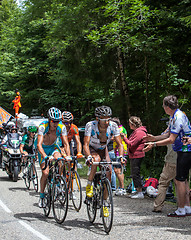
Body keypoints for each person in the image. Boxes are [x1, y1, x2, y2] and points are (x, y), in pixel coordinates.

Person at [143, 95, 191, 217]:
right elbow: (168, 134)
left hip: (185, 150)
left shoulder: (178, 117)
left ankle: (180, 209)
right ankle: (187, 207)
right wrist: (154, 138)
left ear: (167, 106)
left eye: (163, 106)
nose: (163, 108)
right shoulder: (174, 116)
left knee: (179, 180)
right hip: (183, 150)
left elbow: (170, 139)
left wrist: (153, 144)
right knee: (183, 180)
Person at [83, 106, 124, 217]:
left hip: (103, 149)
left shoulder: (113, 125)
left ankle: (105, 202)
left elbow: (120, 144)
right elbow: (86, 144)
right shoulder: (90, 125)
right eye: (103, 119)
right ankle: (89, 185)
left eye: (108, 119)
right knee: (95, 160)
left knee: (109, 171)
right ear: (97, 119)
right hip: (92, 148)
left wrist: (121, 156)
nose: (106, 122)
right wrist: (88, 157)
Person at [37, 107, 71, 208]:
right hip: (43, 148)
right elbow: (39, 145)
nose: (55, 123)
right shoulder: (43, 127)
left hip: (53, 147)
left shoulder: (61, 127)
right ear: (49, 120)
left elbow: (65, 143)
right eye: (53, 121)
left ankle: (57, 182)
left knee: (60, 160)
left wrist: (68, 156)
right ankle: (42, 196)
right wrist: (45, 156)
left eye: (57, 121)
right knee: (45, 173)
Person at [122, 116, 147, 199]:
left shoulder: (140, 132)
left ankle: (140, 193)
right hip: (134, 155)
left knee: (135, 173)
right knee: (134, 173)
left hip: (137, 155)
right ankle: (137, 190)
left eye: (130, 123)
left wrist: (124, 138)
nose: (129, 125)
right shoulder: (136, 131)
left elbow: (131, 144)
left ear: (133, 124)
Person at [111, 117, 128, 196]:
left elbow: (113, 138)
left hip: (120, 151)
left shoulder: (120, 129)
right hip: (117, 151)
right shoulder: (120, 128)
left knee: (118, 170)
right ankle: (120, 187)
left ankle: (122, 188)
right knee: (116, 169)